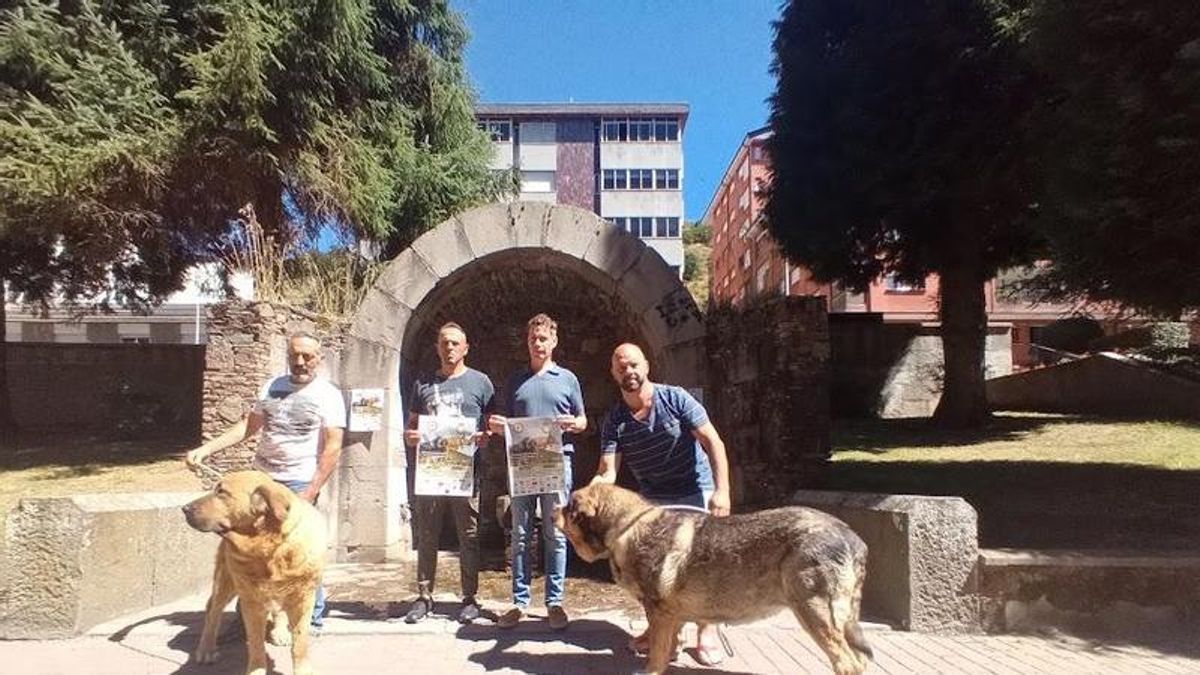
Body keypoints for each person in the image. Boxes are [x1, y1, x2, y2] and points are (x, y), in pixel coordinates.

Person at [185, 331, 346, 634]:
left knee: (300, 550)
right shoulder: (272, 386)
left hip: (297, 483)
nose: (300, 362)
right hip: (260, 482)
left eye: (307, 356)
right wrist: (206, 448)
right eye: (294, 355)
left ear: (319, 359)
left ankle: (309, 617)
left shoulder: (328, 395)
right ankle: (248, 615)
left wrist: (311, 490)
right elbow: (248, 425)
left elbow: (332, 447)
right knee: (245, 548)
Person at [591, 342, 732, 666]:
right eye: (621, 366)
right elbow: (608, 471)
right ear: (613, 373)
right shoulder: (615, 420)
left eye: (634, 365)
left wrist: (722, 491)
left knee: (702, 567)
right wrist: (592, 490)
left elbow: (714, 443)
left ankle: (706, 631)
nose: (629, 371)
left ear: (646, 366)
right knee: (648, 570)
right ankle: (663, 629)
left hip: (695, 490)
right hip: (655, 499)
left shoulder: (676, 398)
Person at [487, 313, 587, 631]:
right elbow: (500, 422)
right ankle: (519, 602)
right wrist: (498, 426)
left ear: (554, 341)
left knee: (556, 534)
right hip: (523, 464)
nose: (538, 343)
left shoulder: (568, 379)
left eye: (543, 338)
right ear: (526, 341)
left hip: (558, 462)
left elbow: (583, 420)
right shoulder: (516, 380)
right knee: (519, 534)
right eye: (533, 338)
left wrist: (575, 423)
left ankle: (554, 603)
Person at [402, 322, 494, 624]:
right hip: (431, 473)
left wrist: (485, 438)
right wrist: (412, 436)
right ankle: (424, 597)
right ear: (437, 347)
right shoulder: (423, 384)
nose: (450, 348)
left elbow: (492, 426)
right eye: (444, 343)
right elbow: (411, 427)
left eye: (455, 343)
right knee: (427, 534)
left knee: (468, 536)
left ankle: (470, 598)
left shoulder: (481, 383)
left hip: (465, 473)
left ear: (466, 348)